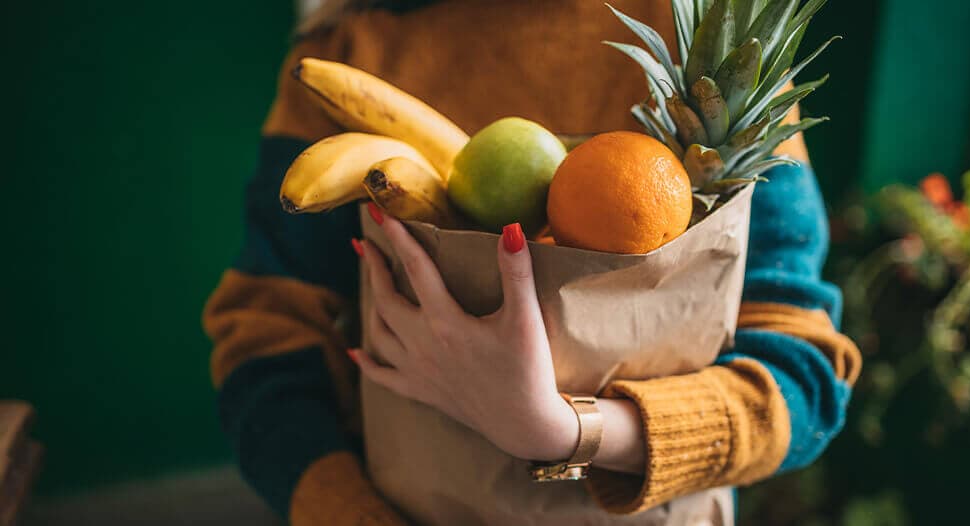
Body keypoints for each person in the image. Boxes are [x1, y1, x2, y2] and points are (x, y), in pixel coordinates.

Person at [203, 1, 862, 524]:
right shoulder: (345, 49)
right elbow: (266, 341)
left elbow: (805, 375)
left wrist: (561, 430)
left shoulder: (716, 66)